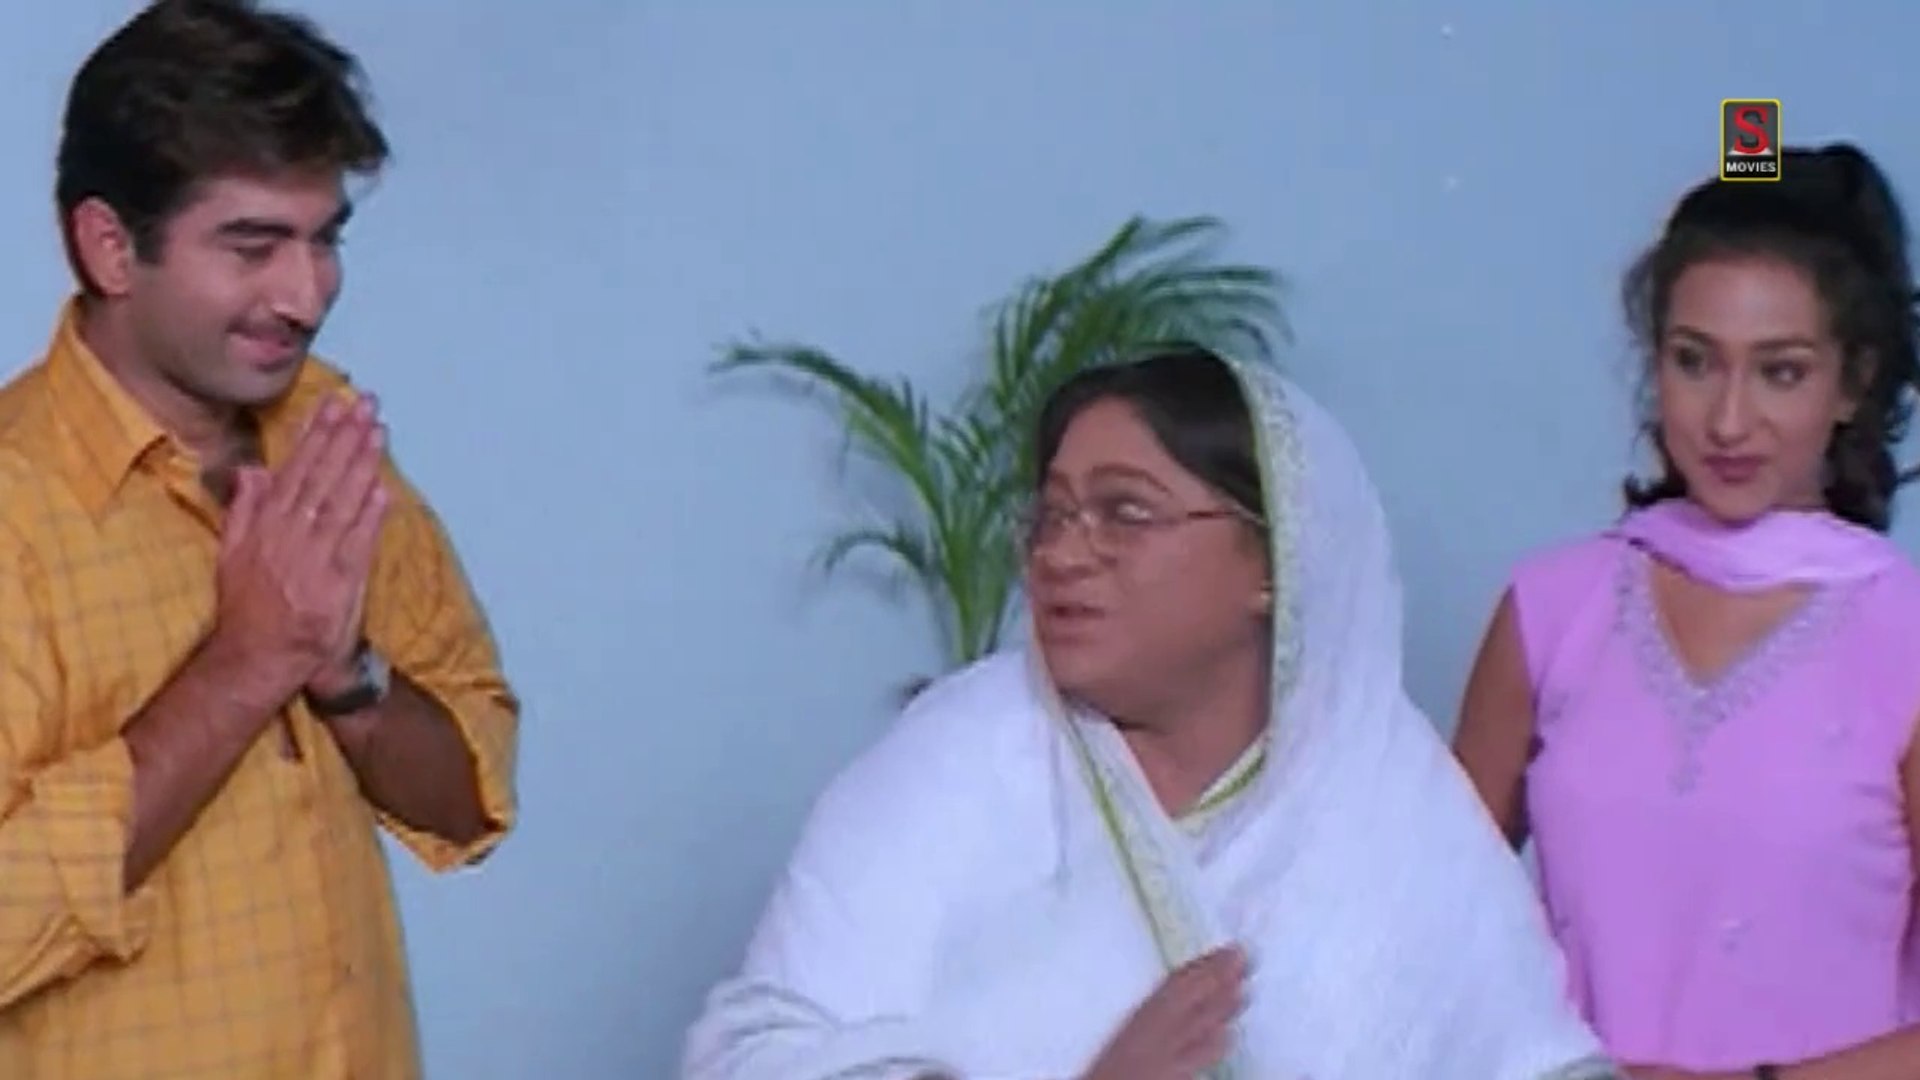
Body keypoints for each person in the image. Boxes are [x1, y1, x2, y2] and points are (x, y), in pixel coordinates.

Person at [683, 346, 1619, 1079]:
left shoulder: (1392, 803)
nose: (1062, 554)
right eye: (1052, 515)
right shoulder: (961, 756)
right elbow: (749, 1059)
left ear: (1274, 561)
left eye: (1124, 513)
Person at [0, 2, 519, 1076]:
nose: (307, 294)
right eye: (253, 246)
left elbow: (471, 794)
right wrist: (243, 668)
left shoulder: (327, 438)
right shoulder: (15, 510)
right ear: (109, 246)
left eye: (325, 239)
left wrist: (349, 680)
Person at [1452, 143, 1920, 1080]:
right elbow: (1421, 927)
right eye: (1695, 361)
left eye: (1781, 372)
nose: (1728, 420)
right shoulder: (1553, 610)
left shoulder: (1903, 637)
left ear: (1853, 382)